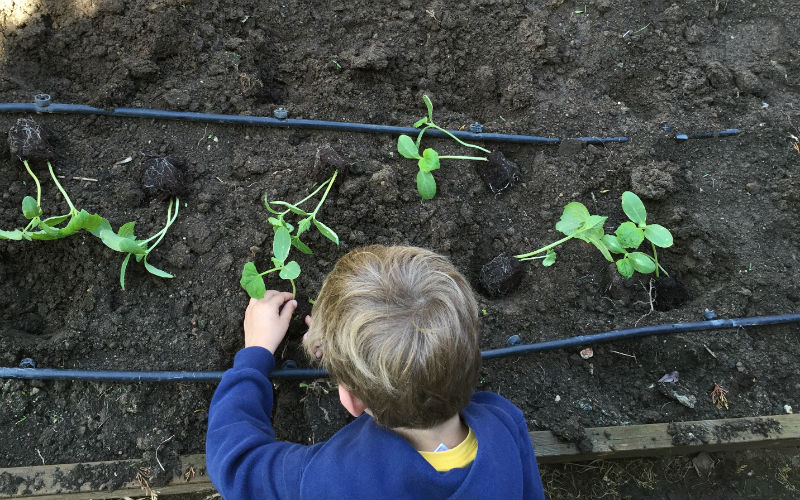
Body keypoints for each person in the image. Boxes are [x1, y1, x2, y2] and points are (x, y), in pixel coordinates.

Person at [206, 246, 545, 499]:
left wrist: (255, 355)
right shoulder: (505, 427)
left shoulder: (333, 480)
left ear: (351, 400)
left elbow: (236, 465)